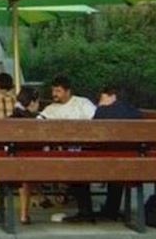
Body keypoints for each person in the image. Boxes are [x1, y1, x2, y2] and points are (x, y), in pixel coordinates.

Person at [68, 85, 143, 221]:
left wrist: (101, 107)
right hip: (130, 164)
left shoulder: (102, 112)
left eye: (102, 98)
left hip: (103, 164)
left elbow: (92, 138)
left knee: (76, 166)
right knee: (118, 164)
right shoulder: (136, 113)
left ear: (112, 96)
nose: (99, 102)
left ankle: (85, 211)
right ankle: (111, 210)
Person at [38, 75, 97, 223]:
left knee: (77, 167)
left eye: (58, 91)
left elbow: (95, 123)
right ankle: (82, 208)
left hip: (85, 151)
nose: (54, 94)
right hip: (62, 153)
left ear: (68, 91)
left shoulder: (82, 104)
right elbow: (38, 124)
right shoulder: (50, 109)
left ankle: (84, 209)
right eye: (53, 91)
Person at [12, 86, 41, 224]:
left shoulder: (12, 118)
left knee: (24, 172)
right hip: (33, 164)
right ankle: (24, 214)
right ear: (32, 102)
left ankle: (24, 214)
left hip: (9, 161)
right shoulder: (35, 120)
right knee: (26, 175)